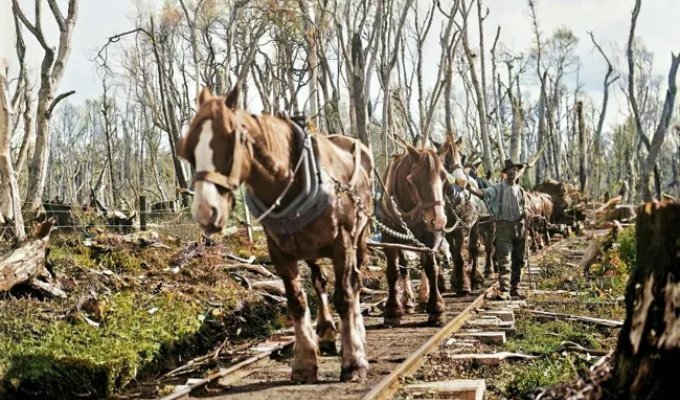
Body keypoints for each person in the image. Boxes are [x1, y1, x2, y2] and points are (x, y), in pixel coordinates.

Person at [467, 159, 527, 300]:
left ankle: (515, 288)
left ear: (518, 173)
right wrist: (469, 188)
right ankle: (505, 290)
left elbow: (523, 206)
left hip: (520, 227)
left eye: (515, 170)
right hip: (504, 226)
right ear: (505, 173)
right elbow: (482, 193)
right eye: (509, 170)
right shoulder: (497, 188)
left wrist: (526, 213)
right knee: (504, 259)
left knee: (519, 259)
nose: (512, 172)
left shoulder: (520, 190)